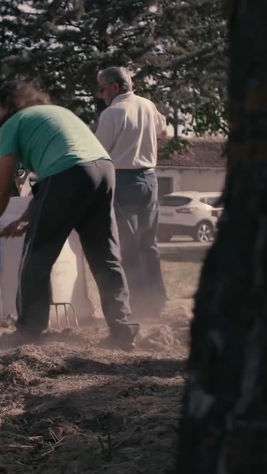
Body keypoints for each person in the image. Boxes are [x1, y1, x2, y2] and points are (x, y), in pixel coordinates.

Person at [0, 81, 139, 350]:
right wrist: (26, 217)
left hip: (69, 174)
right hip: (104, 170)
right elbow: (50, 181)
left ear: (10, 106)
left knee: (37, 254)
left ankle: (29, 331)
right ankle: (122, 329)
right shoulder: (55, 113)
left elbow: (2, 187)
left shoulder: (14, 125)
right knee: (105, 256)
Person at [95, 66, 167, 317]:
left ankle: (139, 305)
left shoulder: (112, 113)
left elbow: (99, 152)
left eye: (102, 88)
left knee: (128, 245)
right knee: (149, 244)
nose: (100, 94)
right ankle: (156, 301)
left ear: (116, 86)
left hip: (123, 180)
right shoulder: (147, 105)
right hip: (149, 179)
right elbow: (163, 130)